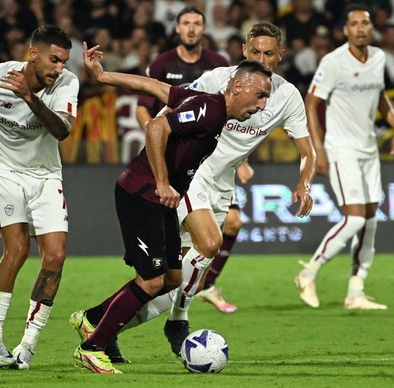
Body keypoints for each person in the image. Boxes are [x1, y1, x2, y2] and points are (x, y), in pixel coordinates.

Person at [71, 21, 316, 358]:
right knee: (210, 243)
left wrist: (304, 181)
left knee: (178, 278)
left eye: (269, 53)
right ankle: (177, 321)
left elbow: (307, 150)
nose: (262, 58)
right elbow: (170, 105)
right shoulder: (219, 81)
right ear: (244, 51)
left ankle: (99, 321)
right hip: (192, 177)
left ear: (281, 55)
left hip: (222, 184)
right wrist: (160, 169)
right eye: (255, 51)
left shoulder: (287, 97)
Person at [0, 25, 79, 369]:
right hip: (1, 167)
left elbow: (62, 130)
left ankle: (29, 342)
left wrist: (30, 96)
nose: (59, 68)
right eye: (54, 60)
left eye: (63, 61)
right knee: (17, 249)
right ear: (33, 53)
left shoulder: (66, 84)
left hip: (44, 173)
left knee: (55, 257)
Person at [294, 4, 394, 311]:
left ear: (372, 29)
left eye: (365, 23)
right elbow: (311, 103)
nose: (360, 28)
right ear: (345, 30)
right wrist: (316, 150)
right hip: (341, 148)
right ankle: (309, 272)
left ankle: (355, 291)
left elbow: (380, 96)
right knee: (355, 217)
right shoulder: (333, 62)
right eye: (354, 23)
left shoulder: (380, 58)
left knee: (370, 222)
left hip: (369, 149)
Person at [135, 5, 241, 314]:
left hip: (214, 160)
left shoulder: (219, 65)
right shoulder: (162, 63)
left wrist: (241, 159)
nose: (192, 28)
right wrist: (156, 141)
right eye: (186, 23)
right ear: (177, 29)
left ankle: (205, 286)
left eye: (197, 23)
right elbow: (145, 107)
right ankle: (167, 301)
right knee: (185, 245)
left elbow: (230, 117)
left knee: (230, 224)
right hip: (178, 160)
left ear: (204, 29)